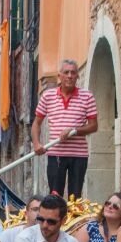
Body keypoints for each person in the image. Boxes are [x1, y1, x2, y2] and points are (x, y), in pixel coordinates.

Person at [30, 59, 98, 200]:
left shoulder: (87, 97)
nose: (69, 76)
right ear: (59, 76)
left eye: (73, 73)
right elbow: (37, 123)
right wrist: (36, 144)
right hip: (56, 154)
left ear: (77, 76)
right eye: (66, 72)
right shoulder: (48, 96)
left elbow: (94, 126)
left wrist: (74, 130)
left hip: (79, 155)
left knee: (75, 197)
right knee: (55, 196)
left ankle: (73, 221)